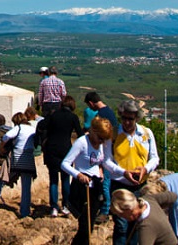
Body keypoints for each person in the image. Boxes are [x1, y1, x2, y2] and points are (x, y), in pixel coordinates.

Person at [103, 99, 160, 245]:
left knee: (136, 224)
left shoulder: (146, 134)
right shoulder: (113, 134)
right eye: (124, 118)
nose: (127, 122)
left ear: (137, 118)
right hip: (120, 184)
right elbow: (107, 160)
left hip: (140, 185)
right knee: (121, 225)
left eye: (130, 119)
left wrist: (145, 169)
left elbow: (154, 158)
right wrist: (123, 172)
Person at [61, 117, 114, 245]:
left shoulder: (102, 145)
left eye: (103, 139)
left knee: (90, 223)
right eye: (100, 138)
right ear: (93, 131)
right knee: (85, 224)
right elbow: (65, 164)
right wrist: (78, 174)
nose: (101, 142)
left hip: (95, 185)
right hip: (82, 186)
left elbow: (102, 161)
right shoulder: (82, 142)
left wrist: (101, 169)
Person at [37, 95, 83, 217]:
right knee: (65, 179)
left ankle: (54, 207)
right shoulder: (73, 117)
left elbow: (41, 125)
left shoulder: (53, 115)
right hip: (66, 150)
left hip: (51, 149)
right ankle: (66, 206)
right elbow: (80, 134)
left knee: (53, 180)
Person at [0, 111, 37, 218]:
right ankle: (25, 212)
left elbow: (6, 137)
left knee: (1, 179)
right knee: (26, 187)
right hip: (28, 159)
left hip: (16, 158)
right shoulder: (33, 129)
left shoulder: (18, 128)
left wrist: (2, 149)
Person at [83, 91, 119, 218]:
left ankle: (105, 209)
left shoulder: (101, 115)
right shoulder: (109, 111)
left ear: (91, 103)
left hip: (106, 151)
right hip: (113, 149)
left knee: (105, 181)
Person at [111, 188, 178, 245]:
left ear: (129, 209)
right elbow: (173, 196)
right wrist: (158, 210)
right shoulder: (149, 199)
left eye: (121, 214)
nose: (121, 217)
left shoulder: (146, 227)